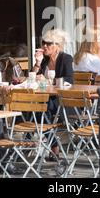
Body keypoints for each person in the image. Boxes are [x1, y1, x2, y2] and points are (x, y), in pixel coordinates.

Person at [31, 29, 73, 160]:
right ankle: (52, 145)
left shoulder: (66, 58)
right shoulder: (44, 60)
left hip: (63, 100)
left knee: (43, 109)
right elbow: (33, 77)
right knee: (37, 109)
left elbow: (69, 79)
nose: (44, 46)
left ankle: (52, 147)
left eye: (48, 44)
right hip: (46, 98)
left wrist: (50, 81)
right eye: (43, 43)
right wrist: (37, 63)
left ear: (57, 46)